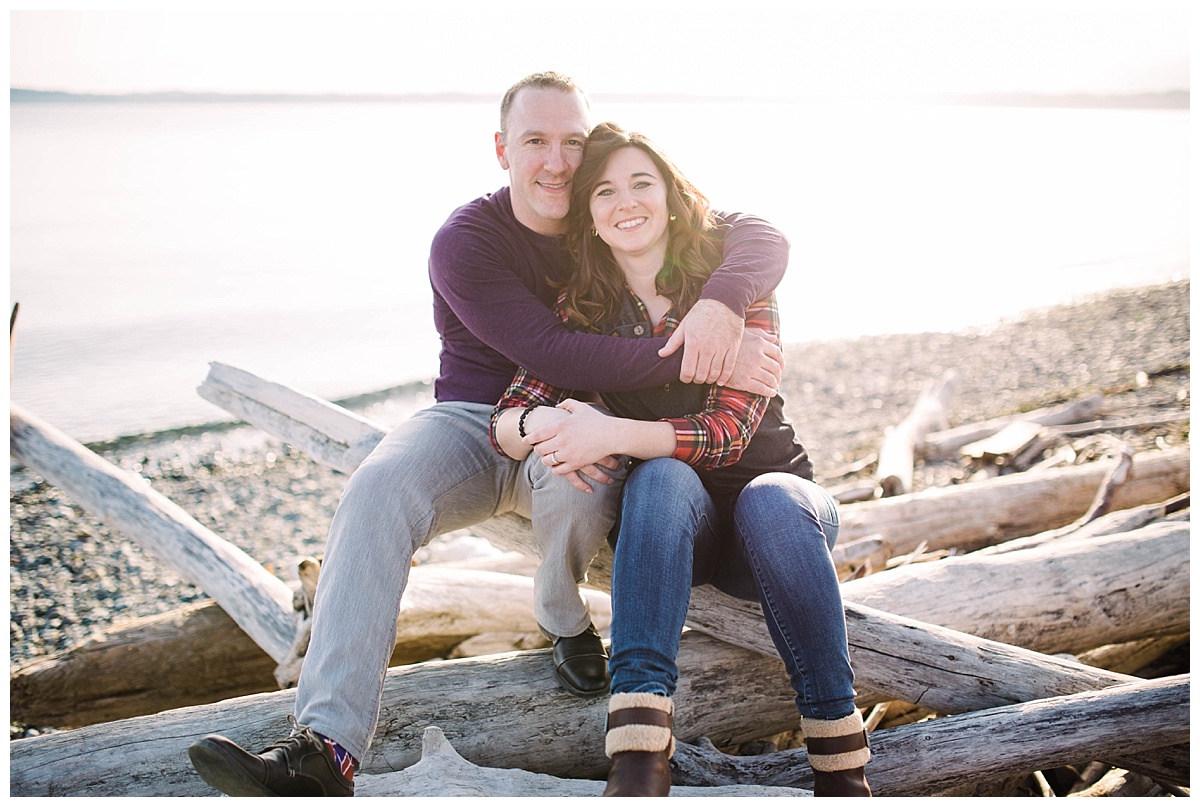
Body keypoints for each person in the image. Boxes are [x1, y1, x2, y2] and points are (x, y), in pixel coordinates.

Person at [186, 72, 790, 797]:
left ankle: (562, 617)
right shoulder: (466, 239)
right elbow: (554, 353)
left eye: (573, 142)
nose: (557, 162)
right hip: (476, 424)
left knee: (581, 481)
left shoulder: (611, 210)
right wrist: (702, 349)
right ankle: (324, 748)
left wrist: (723, 302)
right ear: (502, 149)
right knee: (379, 485)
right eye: (536, 141)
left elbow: (759, 233)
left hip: (586, 424)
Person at [491, 122, 871, 797]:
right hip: (675, 534)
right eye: (605, 190)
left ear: (670, 195)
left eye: (642, 182)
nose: (625, 200)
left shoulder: (733, 288)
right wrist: (541, 420)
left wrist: (609, 432)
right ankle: (638, 762)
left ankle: (842, 768)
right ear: (590, 215)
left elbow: (727, 432)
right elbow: (506, 423)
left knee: (771, 498)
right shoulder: (579, 307)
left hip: (778, 527)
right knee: (663, 478)